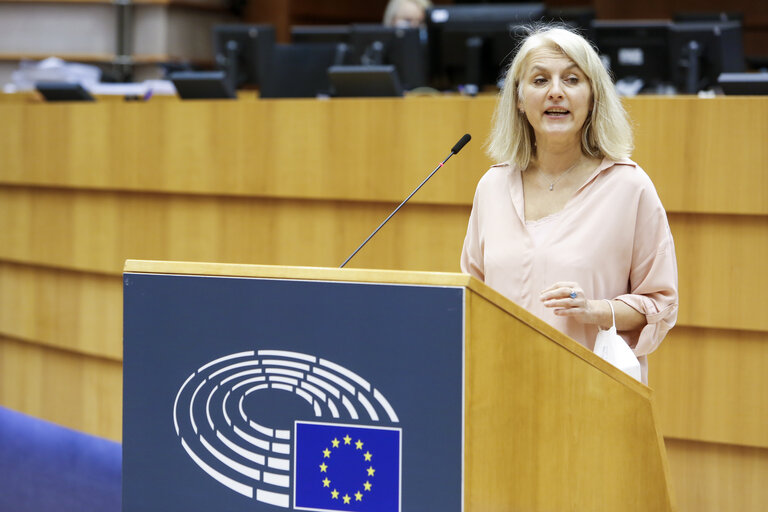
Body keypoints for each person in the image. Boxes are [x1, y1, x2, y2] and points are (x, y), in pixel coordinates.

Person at [460, 26, 678, 384]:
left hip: (588, 393)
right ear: (518, 97)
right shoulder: (493, 186)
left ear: (593, 97)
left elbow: (659, 304)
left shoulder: (628, 186)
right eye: (540, 80)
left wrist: (595, 310)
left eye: (572, 79)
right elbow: (472, 298)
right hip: (499, 388)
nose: (556, 93)